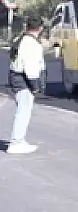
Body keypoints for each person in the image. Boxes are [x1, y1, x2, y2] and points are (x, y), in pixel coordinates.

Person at [6, 19, 44, 154]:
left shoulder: (21, 39)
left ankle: (19, 140)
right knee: (24, 111)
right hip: (23, 79)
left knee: (23, 109)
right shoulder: (31, 44)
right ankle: (16, 142)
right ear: (39, 28)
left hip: (15, 76)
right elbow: (30, 67)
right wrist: (35, 85)